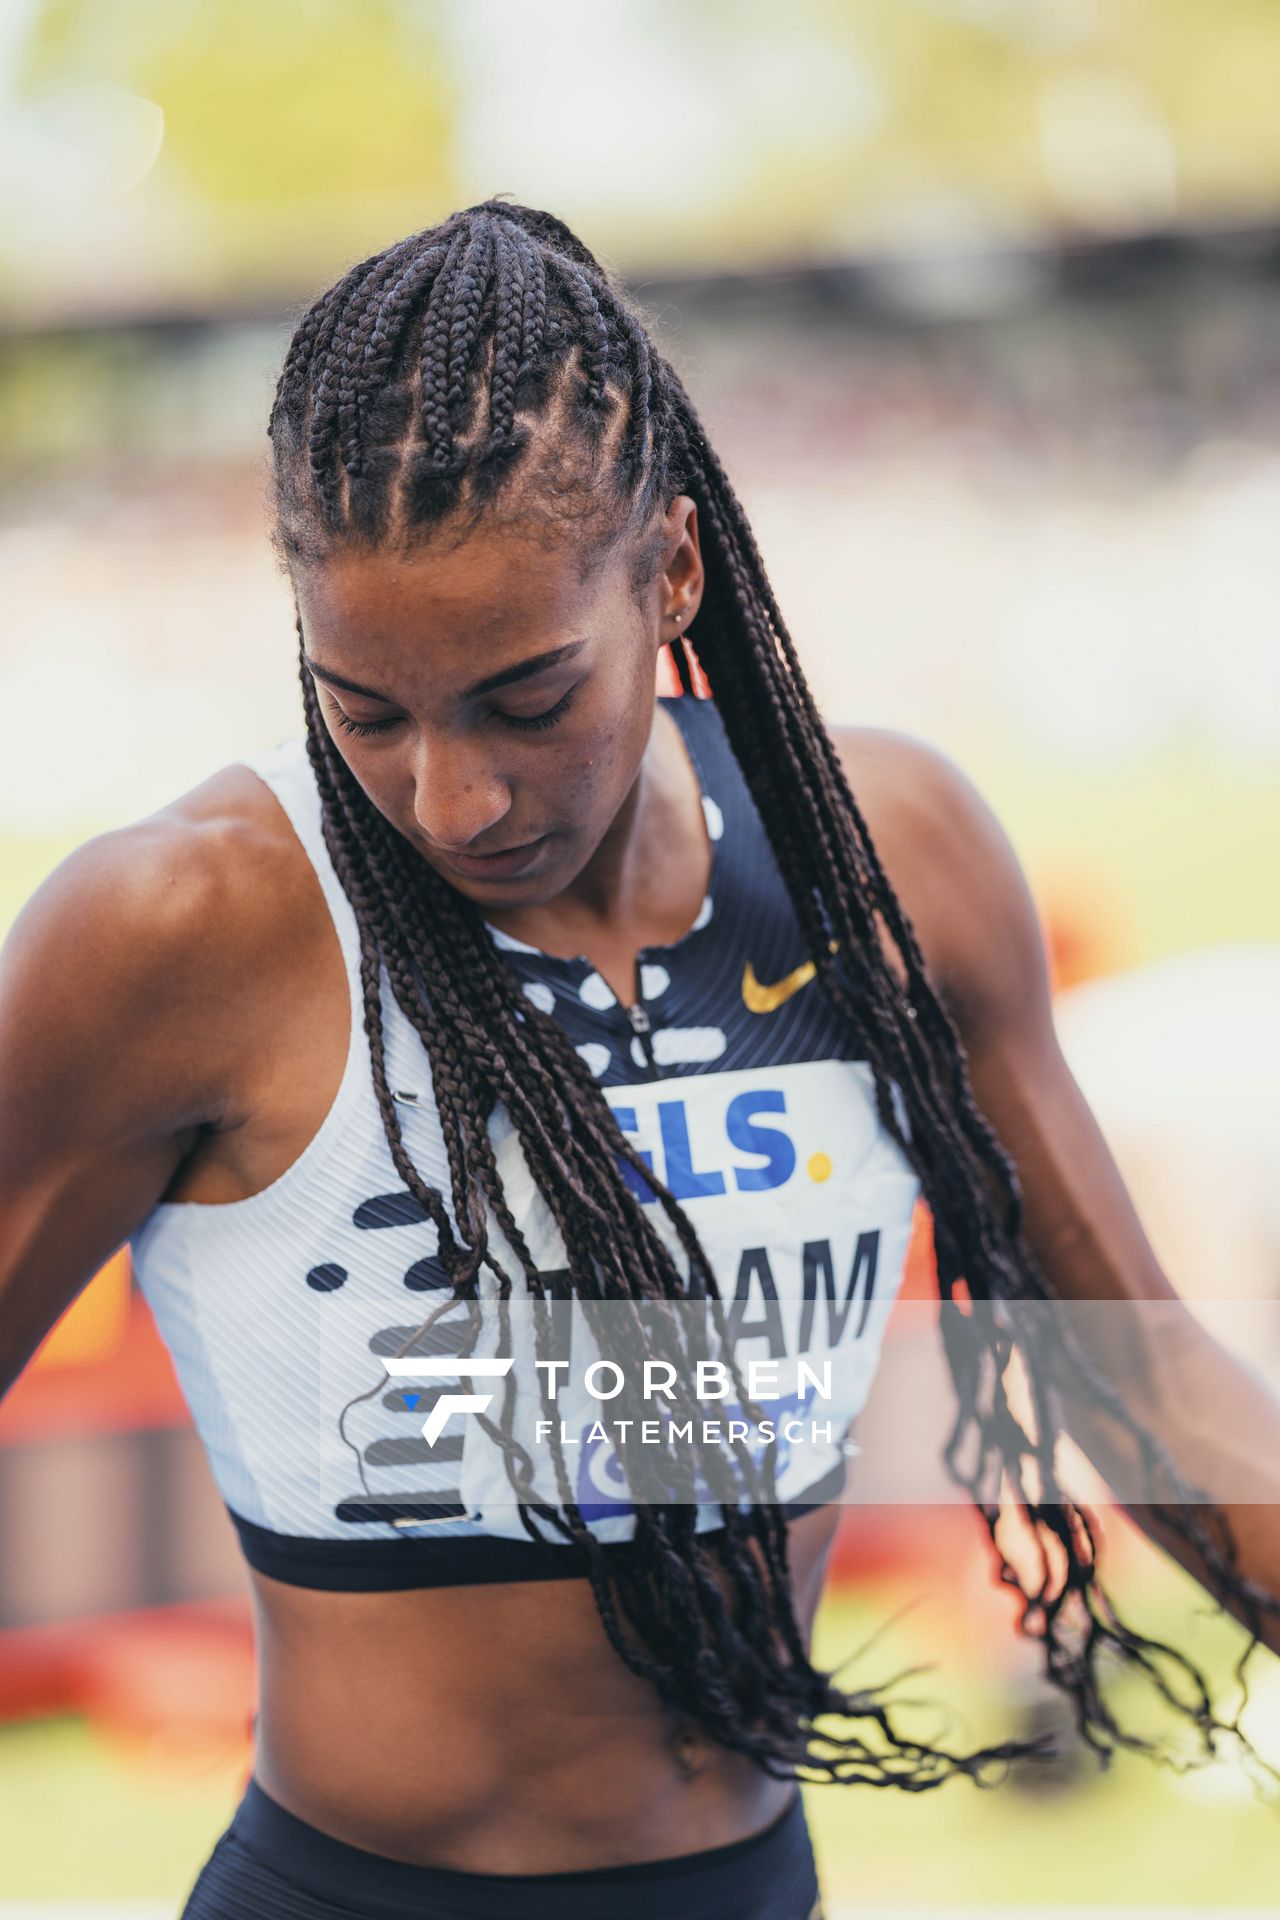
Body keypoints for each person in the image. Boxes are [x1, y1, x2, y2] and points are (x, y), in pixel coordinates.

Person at [3, 199, 1279, 1920]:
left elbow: (1141, 1373)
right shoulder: (180, 929)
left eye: (526, 700)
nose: (454, 799)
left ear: (670, 572)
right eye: (363, 708)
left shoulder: (887, 854)